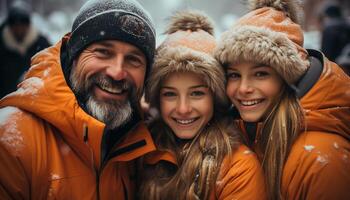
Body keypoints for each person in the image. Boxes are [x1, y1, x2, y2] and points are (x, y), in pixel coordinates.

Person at [0, 0, 156, 199]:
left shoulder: (146, 142)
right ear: (73, 56)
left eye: (134, 59)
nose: (117, 73)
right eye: (103, 52)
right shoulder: (11, 142)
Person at [215, 0, 350, 199]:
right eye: (234, 75)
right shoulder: (248, 131)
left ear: (287, 78)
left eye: (260, 74)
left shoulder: (320, 157)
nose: (243, 89)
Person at [137, 10, 267, 200]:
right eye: (170, 94)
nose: (183, 109)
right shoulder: (140, 151)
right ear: (157, 98)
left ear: (216, 98)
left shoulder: (238, 168)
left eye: (197, 93)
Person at [0, 0, 50, 98]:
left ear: (28, 25)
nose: (19, 28)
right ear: (9, 26)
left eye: (22, 24)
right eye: (15, 24)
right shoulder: (1, 45)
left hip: (36, 102)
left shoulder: (42, 44)